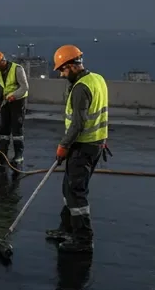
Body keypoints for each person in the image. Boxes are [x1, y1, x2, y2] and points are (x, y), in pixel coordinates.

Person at [46, 45, 109, 254]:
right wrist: (102, 138)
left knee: (76, 192)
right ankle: (67, 229)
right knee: (69, 189)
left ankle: (83, 239)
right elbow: (100, 113)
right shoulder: (97, 79)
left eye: (63, 70)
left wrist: (63, 145)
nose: (62, 75)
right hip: (95, 144)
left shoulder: (81, 88)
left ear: (72, 66)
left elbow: (78, 123)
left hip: (82, 147)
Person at [0, 51, 29, 166]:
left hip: (18, 101)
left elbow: (25, 87)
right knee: (4, 128)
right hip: (6, 101)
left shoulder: (17, 69)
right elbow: (2, 86)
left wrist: (14, 95)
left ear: (2, 61)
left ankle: (18, 155)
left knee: (17, 128)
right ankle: (3, 154)